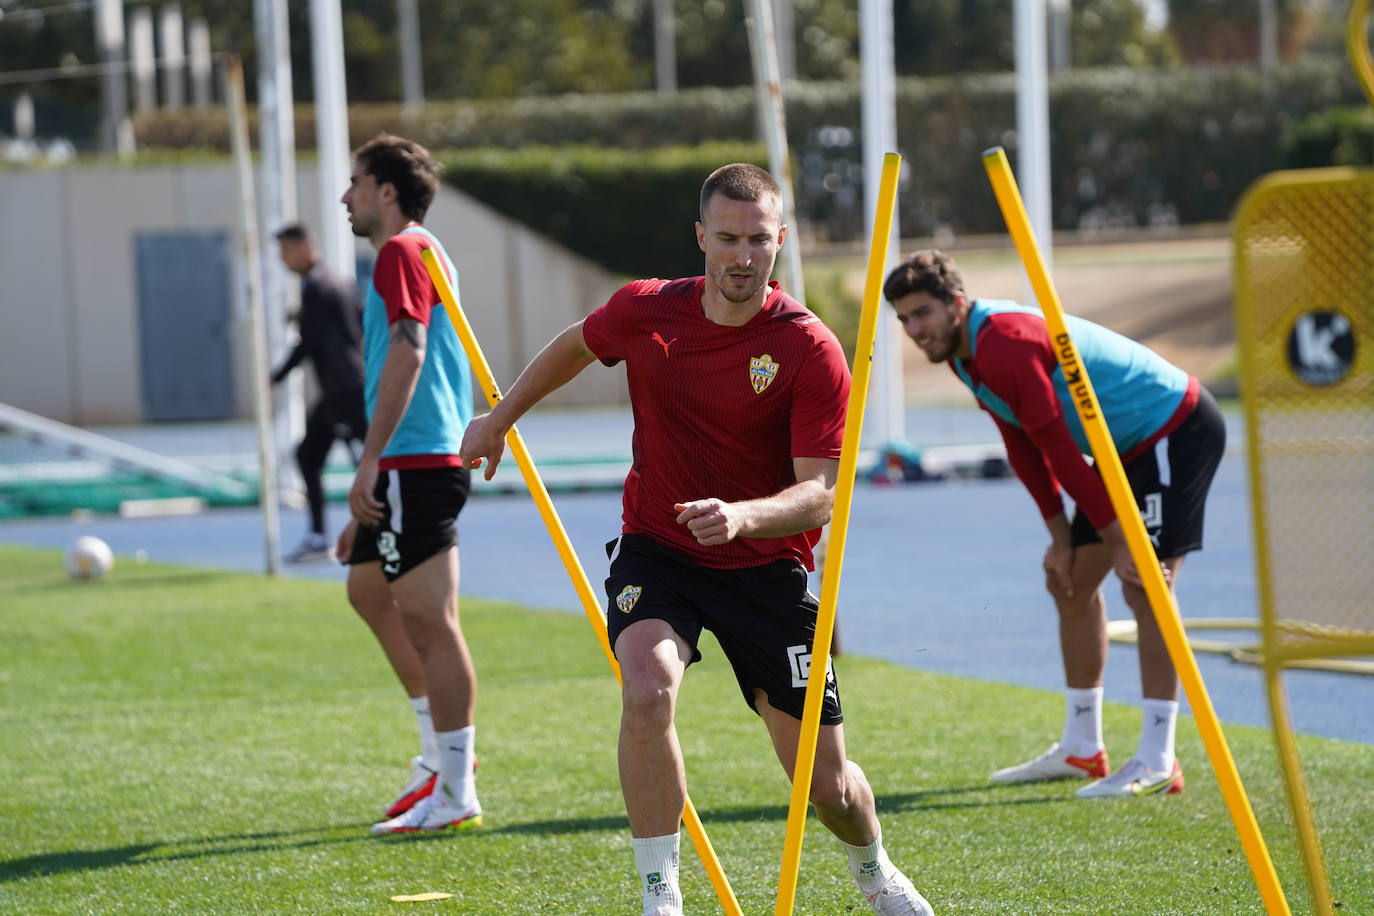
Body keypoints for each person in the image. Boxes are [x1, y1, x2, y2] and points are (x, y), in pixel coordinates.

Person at [461, 164, 934, 916]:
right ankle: (662, 897)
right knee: (647, 693)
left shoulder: (809, 347)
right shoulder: (646, 310)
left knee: (829, 787)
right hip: (661, 549)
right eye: (726, 239)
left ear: (780, 240)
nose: (741, 256)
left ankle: (875, 872)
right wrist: (499, 417)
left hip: (765, 568)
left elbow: (823, 494)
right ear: (700, 238)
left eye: (757, 240)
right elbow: (577, 346)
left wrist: (745, 515)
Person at [882, 249, 1226, 799]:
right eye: (904, 320)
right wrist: (1060, 539)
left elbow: (1060, 447)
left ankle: (1159, 759)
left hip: (1172, 429)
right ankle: (1082, 747)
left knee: (1145, 581)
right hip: (1121, 451)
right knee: (1067, 582)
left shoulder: (1005, 343)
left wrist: (1119, 542)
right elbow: (1020, 442)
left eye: (922, 313)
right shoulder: (961, 353)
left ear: (957, 304)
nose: (914, 330)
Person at [333, 133, 482, 835]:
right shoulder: (425, 248)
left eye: (356, 182)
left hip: (417, 461)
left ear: (386, 191)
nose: (345, 196)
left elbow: (411, 350)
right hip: (408, 462)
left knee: (431, 622)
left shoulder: (400, 252)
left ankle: (455, 785)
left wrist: (371, 462)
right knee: (367, 589)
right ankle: (437, 758)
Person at [270, 223, 368, 564]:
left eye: (285, 251)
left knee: (369, 464)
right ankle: (319, 536)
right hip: (342, 390)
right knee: (310, 455)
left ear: (304, 246)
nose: (283, 260)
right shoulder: (338, 281)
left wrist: (277, 375)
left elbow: (309, 342)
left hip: (346, 392)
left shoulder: (318, 285)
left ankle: (374, 534)